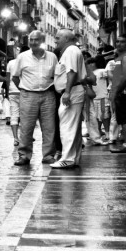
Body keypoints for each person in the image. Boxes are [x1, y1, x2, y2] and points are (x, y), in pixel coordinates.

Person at [13, 31, 59, 166]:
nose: (33, 42)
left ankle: (48, 155)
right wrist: (24, 89)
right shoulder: (22, 57)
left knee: (49, 126)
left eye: (36, 40)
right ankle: (24, 155)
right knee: (26, 126)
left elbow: (57, 76)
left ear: (42, 40)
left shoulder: (52, 57)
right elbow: (15, 77)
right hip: (28, 95)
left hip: (48, 94)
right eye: (31, 40)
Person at [51, 30, 86, 169]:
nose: (55, 40)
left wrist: (67, 92)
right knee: (73, 128)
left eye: (58, 38)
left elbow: (71, 72)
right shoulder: (72, 50)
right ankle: (74, 158)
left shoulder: (70, 51)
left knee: (67, 127)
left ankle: (67, 158)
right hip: (73, 91)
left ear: (66, 38)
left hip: (71, 92)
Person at [6, 53, 22, 147]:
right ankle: (25, 137)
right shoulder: (26, 61)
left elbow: (8, 79)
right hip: (24, 91)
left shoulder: (10, 63)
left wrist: (8, 91)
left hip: (12, 92)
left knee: (14, 115)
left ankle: (16, 138)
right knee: (25, 115)